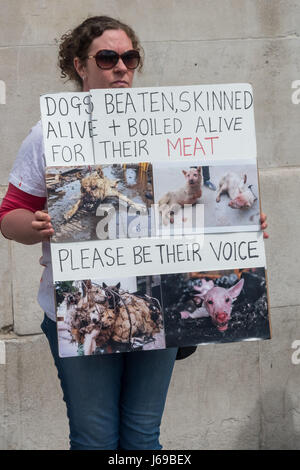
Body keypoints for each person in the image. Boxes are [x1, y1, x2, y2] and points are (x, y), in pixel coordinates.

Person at [0, 15, 269, 450]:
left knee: (144, 439)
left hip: (154, 305)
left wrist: (243, 228)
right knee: (94, 440)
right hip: (81, 311)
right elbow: (9, 216)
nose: (121, 67)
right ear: (79, 66)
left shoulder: (165, 128)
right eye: (107, 58)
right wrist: (33, 226)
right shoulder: (48, 134)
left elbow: (185, 210)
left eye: (129, 57)